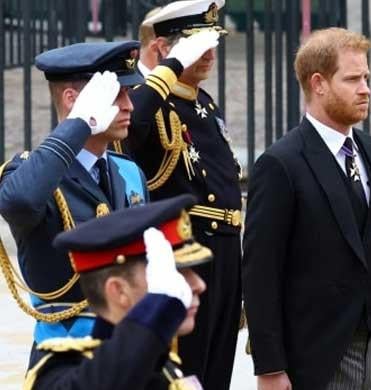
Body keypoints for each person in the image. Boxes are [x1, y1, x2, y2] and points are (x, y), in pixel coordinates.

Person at [243, 27, 371, 390]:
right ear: (318, 84)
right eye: (352, 79)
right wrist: (269, 366)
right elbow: (260, 272)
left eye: (366, 78)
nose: (365, 89)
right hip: (317, 352)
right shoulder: (281, 164)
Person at [0, 42, 148, 367]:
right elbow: (20, 201)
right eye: (116, 96)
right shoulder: (31, 175)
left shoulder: (129, 173)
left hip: (128, 351)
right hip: (68, 358)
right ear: (74, 101)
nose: (129, 106)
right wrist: (76, 126)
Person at [127, 1, 243, 388]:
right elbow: (130, 133)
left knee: (216, 372)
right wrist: (170, 69)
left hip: (224, 254)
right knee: (186, 373)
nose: (211, 54)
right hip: (186, 256)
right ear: (163, 49)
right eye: (198, 47)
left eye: (213, 44)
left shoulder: (202, 101)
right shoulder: (148, 101)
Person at [23, 194, 212, 389]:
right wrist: (157, 312)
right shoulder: (60, 375)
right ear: (119, 291)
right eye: (173, 274)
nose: (199, 284)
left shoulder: (163, 367)